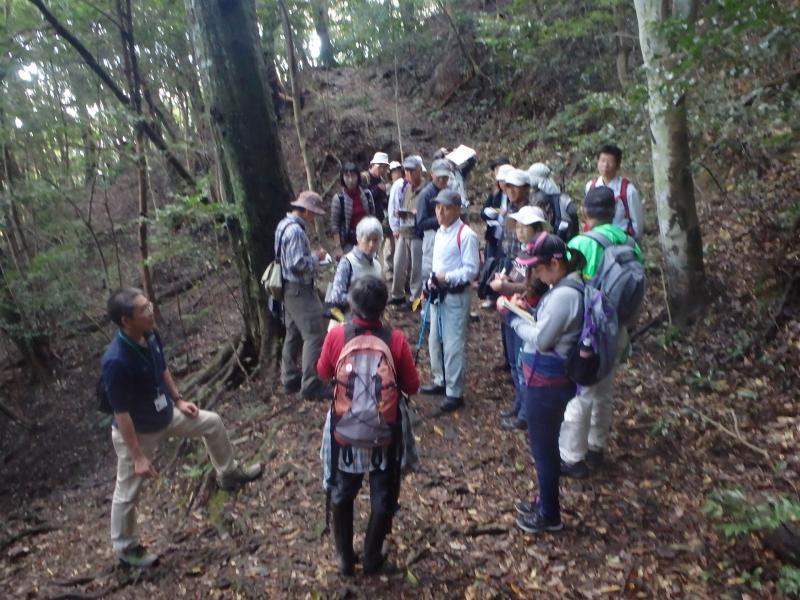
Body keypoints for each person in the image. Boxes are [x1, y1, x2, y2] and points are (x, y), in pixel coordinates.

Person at [102, 288, 262, 567]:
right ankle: (126, 549)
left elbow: (162, 368)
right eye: (143, 310)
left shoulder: (150, 335)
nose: (151, 311)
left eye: (149, 305)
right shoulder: (116, 360)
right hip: (138, 432)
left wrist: (178, 399)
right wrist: (138, 455)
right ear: (126, 321)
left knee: (211, 422)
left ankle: (228, 473)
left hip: (165, 414)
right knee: (128, 491)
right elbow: (122, 413)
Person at [318, 276, 420, 576]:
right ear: (383, 306)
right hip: (385, 430)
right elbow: (412, 386)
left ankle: (345, 558)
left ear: (351, 304)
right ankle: (372, 556)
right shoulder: (396, 339)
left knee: (342, 490)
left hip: (344, 430)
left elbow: (322, 371)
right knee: (383, 493)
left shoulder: (337, 336)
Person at [497, 233, 584, 533]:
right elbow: (547, 326)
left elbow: (544, 339)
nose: (534, 273)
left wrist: (512, 318)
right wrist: (527, 313)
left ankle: (550, 515)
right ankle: (544, 502)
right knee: (543, 447)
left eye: (539, 267)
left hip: (548, 383)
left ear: (556, 262)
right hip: (546, 381)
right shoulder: (560, 288)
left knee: (544, 449)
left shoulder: (565, 295)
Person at [559, 186, 643, 477]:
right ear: (614, 211)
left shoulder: (582, 243)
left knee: (580, 392)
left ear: (585, 211)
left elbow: (569, 285)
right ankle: (596, 447)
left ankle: (572, 456)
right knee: (604, 390)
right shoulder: (630, 243)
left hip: (589, 333)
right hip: (617, 328)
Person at [491, 206, 551, 431]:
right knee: (516, 363)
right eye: (517, 226)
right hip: (512, 308)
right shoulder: (524, 251)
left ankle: (526, 413)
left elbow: (534, 286)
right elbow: (519, 275)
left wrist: (504, 285)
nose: (518, 231)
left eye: (523, 226)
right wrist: (506, 278)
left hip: (526, 311)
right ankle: (520, 404)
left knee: (521, 362)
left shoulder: (540, 254)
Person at [420, 189, 480, 412]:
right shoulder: (440, 233)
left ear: (457, 209)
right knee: (435, 340)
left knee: (453, 344)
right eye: (437, 207)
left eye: (445, 208)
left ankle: (454, 393)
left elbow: (471, 271)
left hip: (456, 296)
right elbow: (437, 266)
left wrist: (446, 277)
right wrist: (431, 282)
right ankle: (440, 380)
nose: (440, 212)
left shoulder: (466, 236)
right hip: (438, 295)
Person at [276, 191, 331, 400]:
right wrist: (316, 259)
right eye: (313, 214)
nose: (313, 218)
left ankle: (289, 377)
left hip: (287, 288)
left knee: (294, 332)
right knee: (314, 334)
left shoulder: (283, 225)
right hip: (298, 289)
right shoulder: (296, 232)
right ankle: (311, 384)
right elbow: (297, 264)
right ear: (306, 210)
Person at [324, 216, 383, 324]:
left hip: (371, 325)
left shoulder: (377, 265)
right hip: (346, 324)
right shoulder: (347, 262)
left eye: (375, 240)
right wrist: (362, 298)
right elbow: (336, 297)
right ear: (358, 238)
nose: (371, 244)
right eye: (368, 239)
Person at [585, 144, 644, 241]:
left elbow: (637, 222)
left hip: (620, 240)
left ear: (618, 165)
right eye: (602, 161)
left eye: (610, 162)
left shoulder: (628, 190)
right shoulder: (591, 187)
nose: (605, 165)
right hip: (596, 239)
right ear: (597, 162)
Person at [388, 156, 425, 306]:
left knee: (417, 268)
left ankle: (415, 298)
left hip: (417, 233)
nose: (408, 174)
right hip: (404, 230)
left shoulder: (426, 189)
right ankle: (397, 294)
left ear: (419, 171)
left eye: (411, 171)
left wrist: (415, 213)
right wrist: (399, 217)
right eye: (406, 171)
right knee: (398, 264)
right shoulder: (406, 188)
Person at [416, 158, 451, 283]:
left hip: (447, 235)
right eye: (439, 176)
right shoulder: (426, 194)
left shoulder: (449, 191)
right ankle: (422, 301)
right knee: (428, 273)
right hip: (431, 237)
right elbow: (421, 222)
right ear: (432, 174)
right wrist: (441, 219)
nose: (442, 180)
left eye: (444, 176)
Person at [331, 162, 376, 254]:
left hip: (367, 237)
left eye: (353, 176)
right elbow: (335, 225)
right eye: (347, 176)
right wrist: (338, 247)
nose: (350, 180)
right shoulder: (339, 199)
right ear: (342, 178)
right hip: (349, 240)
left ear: (358, 177)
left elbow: (372, 216)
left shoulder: (367, 194)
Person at [529, 162, 579, 243]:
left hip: (543, 240)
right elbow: (573, 214)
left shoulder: (537, 197)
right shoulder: (562, 197)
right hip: (564, 238)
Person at [480, 158, 512, 263]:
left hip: (508, 239)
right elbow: (483, 213)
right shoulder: (495, 193)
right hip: (493, 237)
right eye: (496, 171)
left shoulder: (513, 195)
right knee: (490, 266)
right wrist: (493, 213)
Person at [363, 152, 390, 267]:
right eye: (379, 166)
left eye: (384, 167)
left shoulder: (382, 180)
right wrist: (377, 189)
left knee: (377, 248)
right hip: (366, 219)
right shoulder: (365, 178)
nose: (382, 170)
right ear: (372, 165)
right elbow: (363, 198)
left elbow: (383, 201)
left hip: (379, 218)